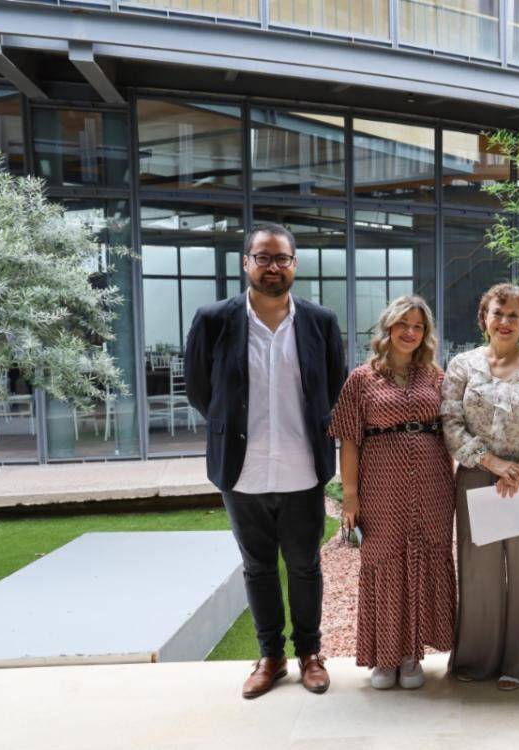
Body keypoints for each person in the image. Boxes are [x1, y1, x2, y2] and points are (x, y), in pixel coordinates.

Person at [184, 223, 346, 699]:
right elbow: (200, 390)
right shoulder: (213, 320)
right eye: (263, 257)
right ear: (246, 263)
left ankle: (310, 654)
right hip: (243, 469)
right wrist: (232, 426)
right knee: (257, 568)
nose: (273, 267)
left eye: (282, 258)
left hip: (302, 468)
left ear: (294, 264)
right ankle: (270, 657)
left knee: (304, 565)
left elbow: (333, 387)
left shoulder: (319, 321)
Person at [440, 283, 519, 691]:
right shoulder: (462, 365)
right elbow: (450, 422)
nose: (505, 321)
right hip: (479, 477)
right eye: (498, 312)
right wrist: (492, 463)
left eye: (514, 315)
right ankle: (478, 657)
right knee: (480, 570)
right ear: (484, 318)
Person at [328, 296, 456, 690]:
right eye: (403, 324)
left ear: (425, 334)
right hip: (381, 485)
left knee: (424, 558)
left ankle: (411, 655)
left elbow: (453, 431)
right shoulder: (361, 379)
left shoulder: (435, 376)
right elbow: (349, 440)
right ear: (388, 327)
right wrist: (351, 495)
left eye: (418, 326)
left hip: (433, 485)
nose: (410, 332)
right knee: (383, 560)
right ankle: (384, 656)